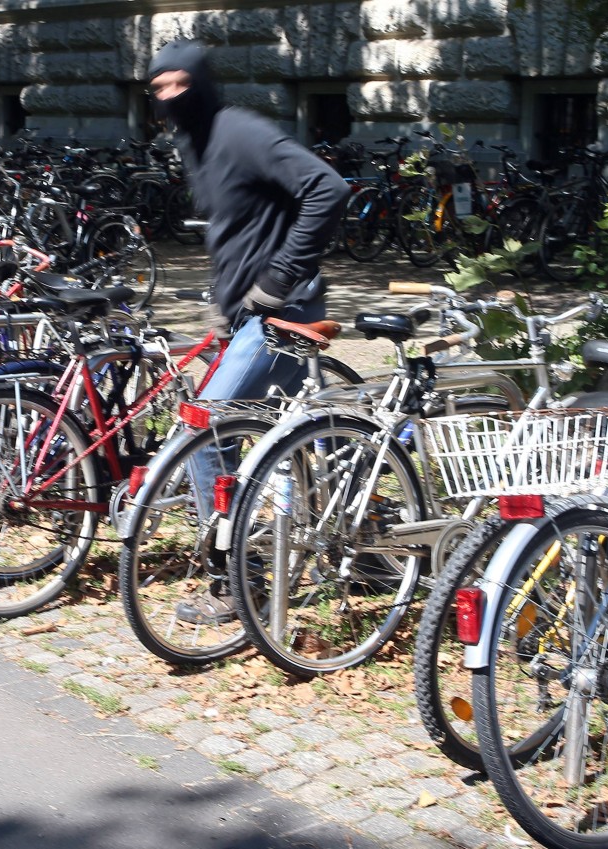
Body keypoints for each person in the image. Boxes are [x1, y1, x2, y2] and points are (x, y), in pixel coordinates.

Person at [146, 40, 349, 623]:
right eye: (157, 89)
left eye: (178, 85)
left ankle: (241, 581)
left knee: (207, 426)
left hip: (285, 313)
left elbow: (326, 189)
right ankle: (353, 536)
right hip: (248, 314)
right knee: (295, 429)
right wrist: (225, 303)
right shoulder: (197, 139)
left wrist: (278, 278)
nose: (168, 98)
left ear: (202, 83)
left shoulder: (239, 131)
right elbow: (244, 225)